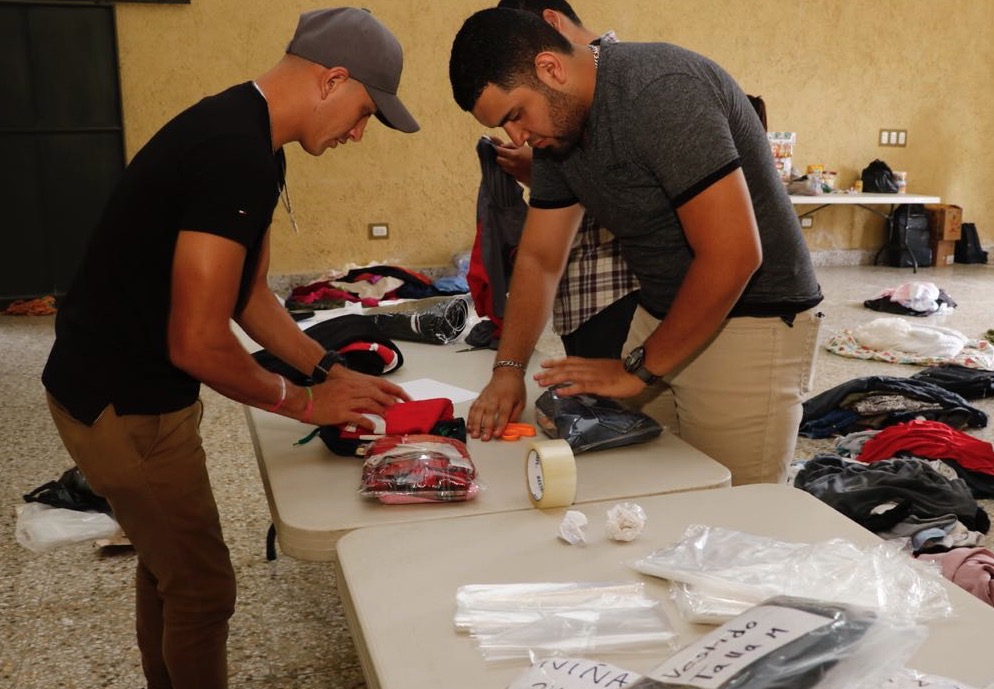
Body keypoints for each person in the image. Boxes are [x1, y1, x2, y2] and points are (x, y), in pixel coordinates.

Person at [41, 8, 417, 688]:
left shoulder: (249, 139)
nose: (359, 135)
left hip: (113, 386)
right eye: (365, 113)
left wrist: (328, 367)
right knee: (203, 587)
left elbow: (249, 297)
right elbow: (197, 341)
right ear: (333, 79)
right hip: (121, 402)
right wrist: (304, 403)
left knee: (170, 565)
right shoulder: (233, 155)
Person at [450, 8, 824, 485]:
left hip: (752, 319)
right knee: (642, 490)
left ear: (550, 68)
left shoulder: (661, 89)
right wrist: (508, 368)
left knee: (734, 517)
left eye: (515, 115)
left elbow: (733, 256)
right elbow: (541, 258)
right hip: (663, 311)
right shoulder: (556, 133)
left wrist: (638, 370)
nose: (516, 137)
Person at [490, 0, 640, 359]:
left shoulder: (629, 87)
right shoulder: (557, 107)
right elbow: (540, 257)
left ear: (552, 25)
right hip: (584, 303)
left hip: (623, 298)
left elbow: (641, 205)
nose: (518, 135)